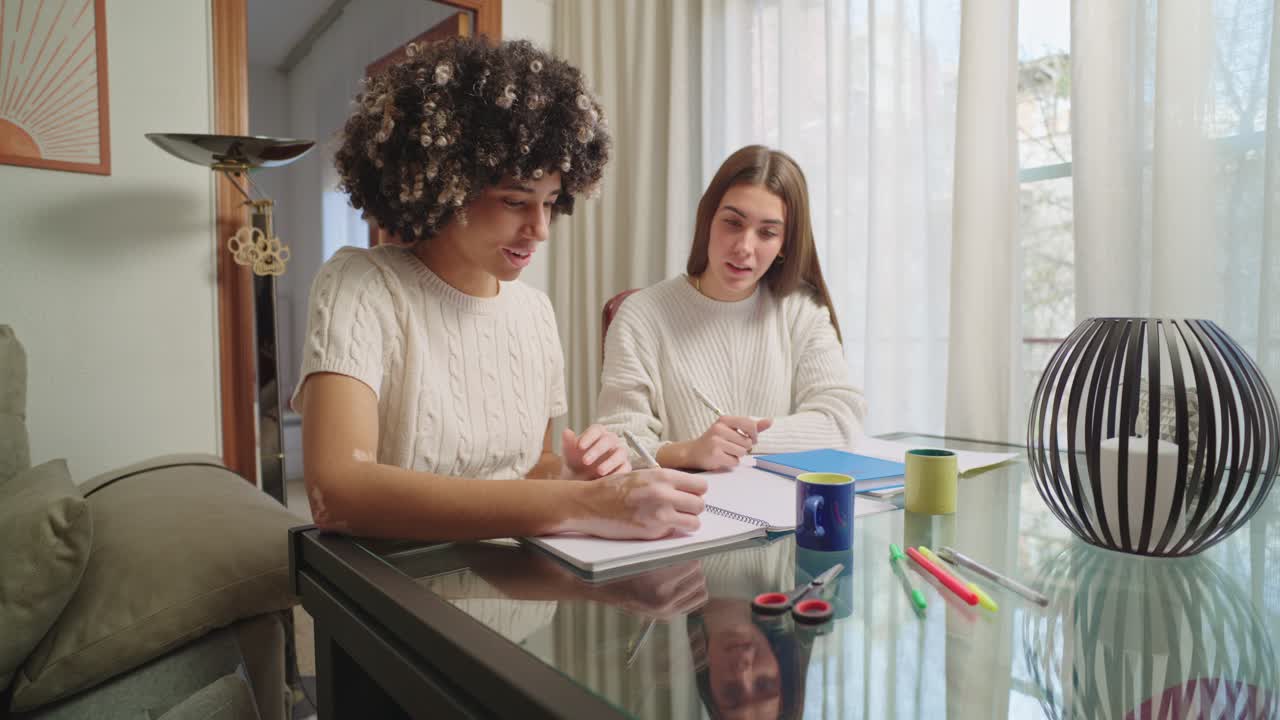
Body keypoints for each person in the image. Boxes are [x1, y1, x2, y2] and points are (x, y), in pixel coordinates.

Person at [293, 37, 706, 541]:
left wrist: (571, 473)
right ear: (445, 187)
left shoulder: (534, 312)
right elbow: (337, 492)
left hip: (518, 574)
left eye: (550, 203)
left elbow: (527, 470)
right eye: (515, 202)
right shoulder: (361, 287)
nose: (541, 229)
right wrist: (583, 504)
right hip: (395, 578)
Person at [598, 145, 867, 471]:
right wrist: (689, 452)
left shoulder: (800, 310)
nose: (744, 247)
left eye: (767, 233)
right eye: (733, 223)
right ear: (708, 220)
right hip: (685, 500)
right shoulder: (640, 315)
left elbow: (842, 421)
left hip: (778, 501)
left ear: (784, 245)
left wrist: (744, 439)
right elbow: (618, 443)